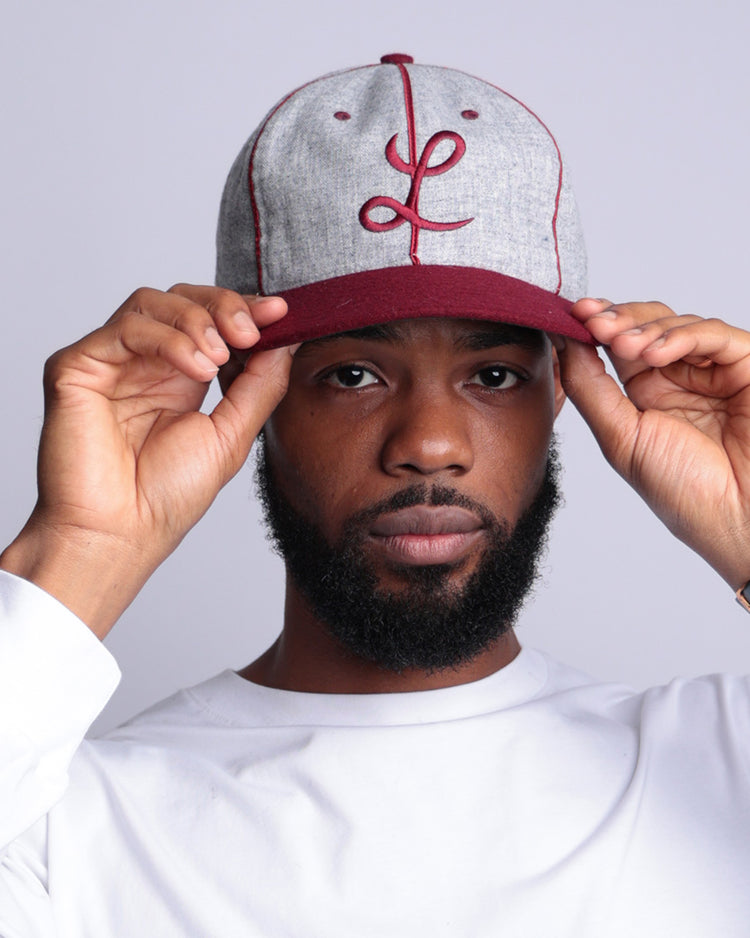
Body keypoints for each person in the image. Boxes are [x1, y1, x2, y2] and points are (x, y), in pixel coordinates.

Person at [2, 52, 750, 936]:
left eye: (495, 374)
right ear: (249, 396)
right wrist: (83, 551)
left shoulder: (720, 757)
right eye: (354, 373)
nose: (429, 444)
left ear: (565, 392)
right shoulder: (69, 822)